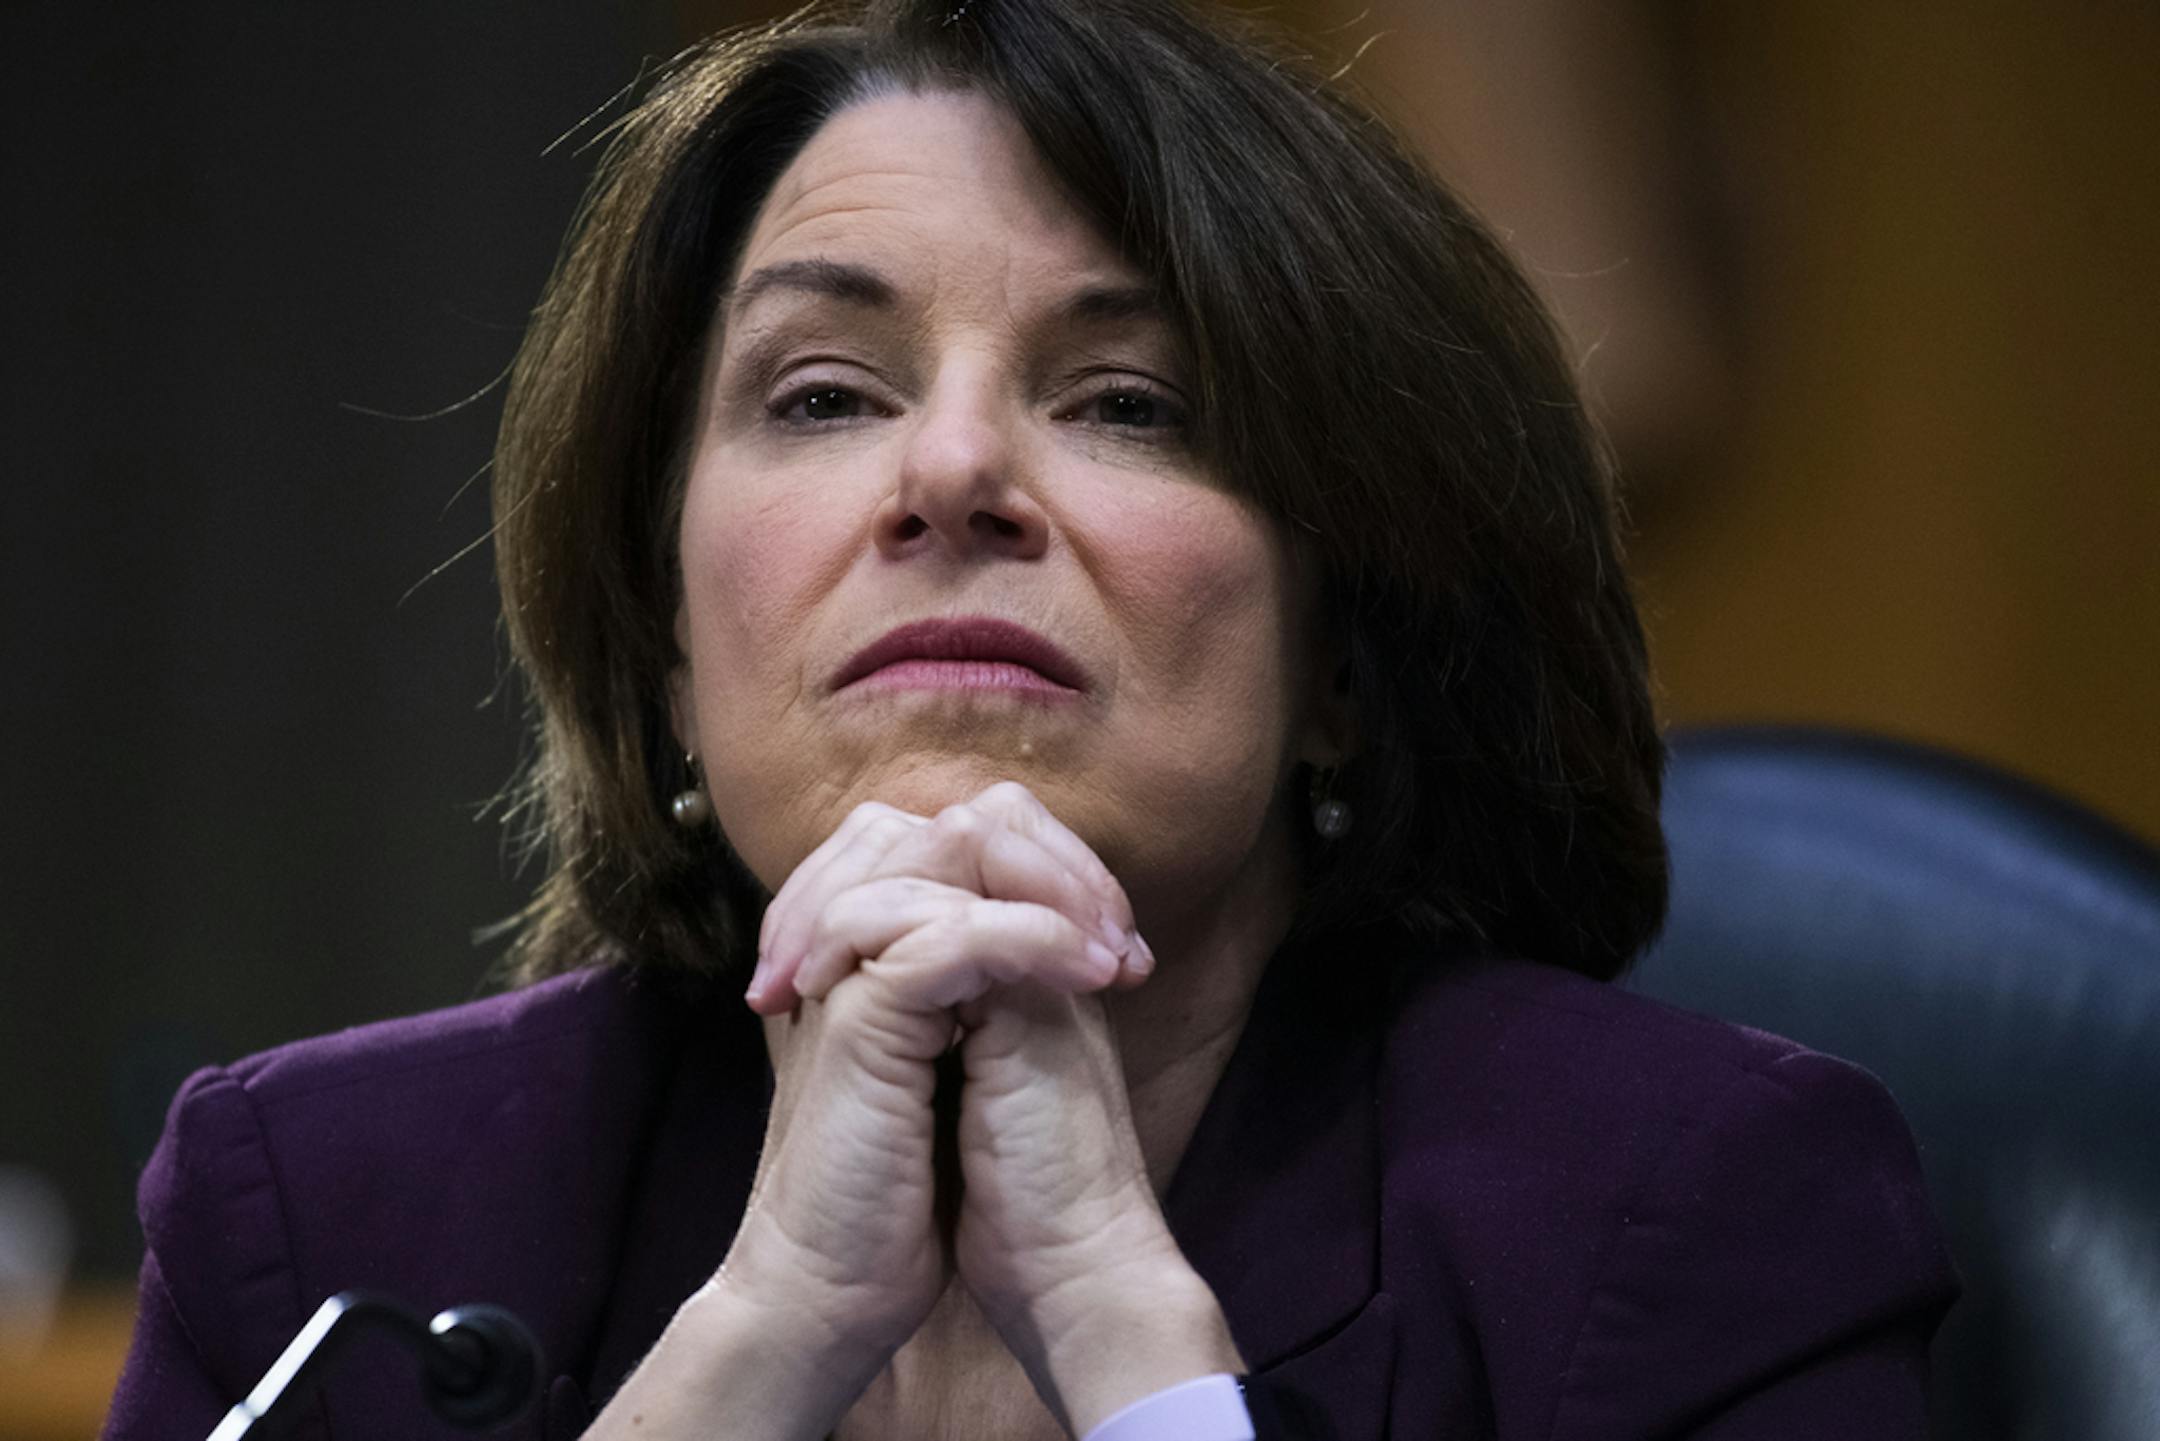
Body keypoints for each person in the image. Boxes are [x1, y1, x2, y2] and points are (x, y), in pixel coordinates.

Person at [103, 1, 1957, 1437]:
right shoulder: (328, 1213)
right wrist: (753, 1349)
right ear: (666, 642)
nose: (959, 467)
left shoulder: (1687, 1220)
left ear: (1344, 657)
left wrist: (1128, 1337)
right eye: (824, 394)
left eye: (1131, 403)